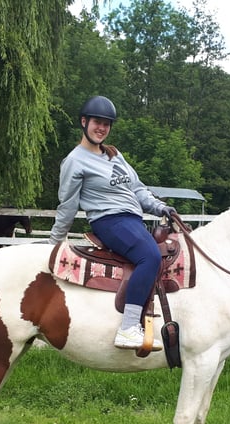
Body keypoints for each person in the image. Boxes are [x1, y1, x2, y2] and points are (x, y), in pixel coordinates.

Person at [48, 96, 177, 350]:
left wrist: (160, 206)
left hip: (132, 220)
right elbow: (68, 205)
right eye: (97, 122)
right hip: (109, 221)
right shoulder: (75, 160)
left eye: (107, 124)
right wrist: (53, 243)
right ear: (84, 122)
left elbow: (138, 190)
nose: (102, 128)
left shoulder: (115, 155)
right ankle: (128, 328)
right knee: (149, 256)